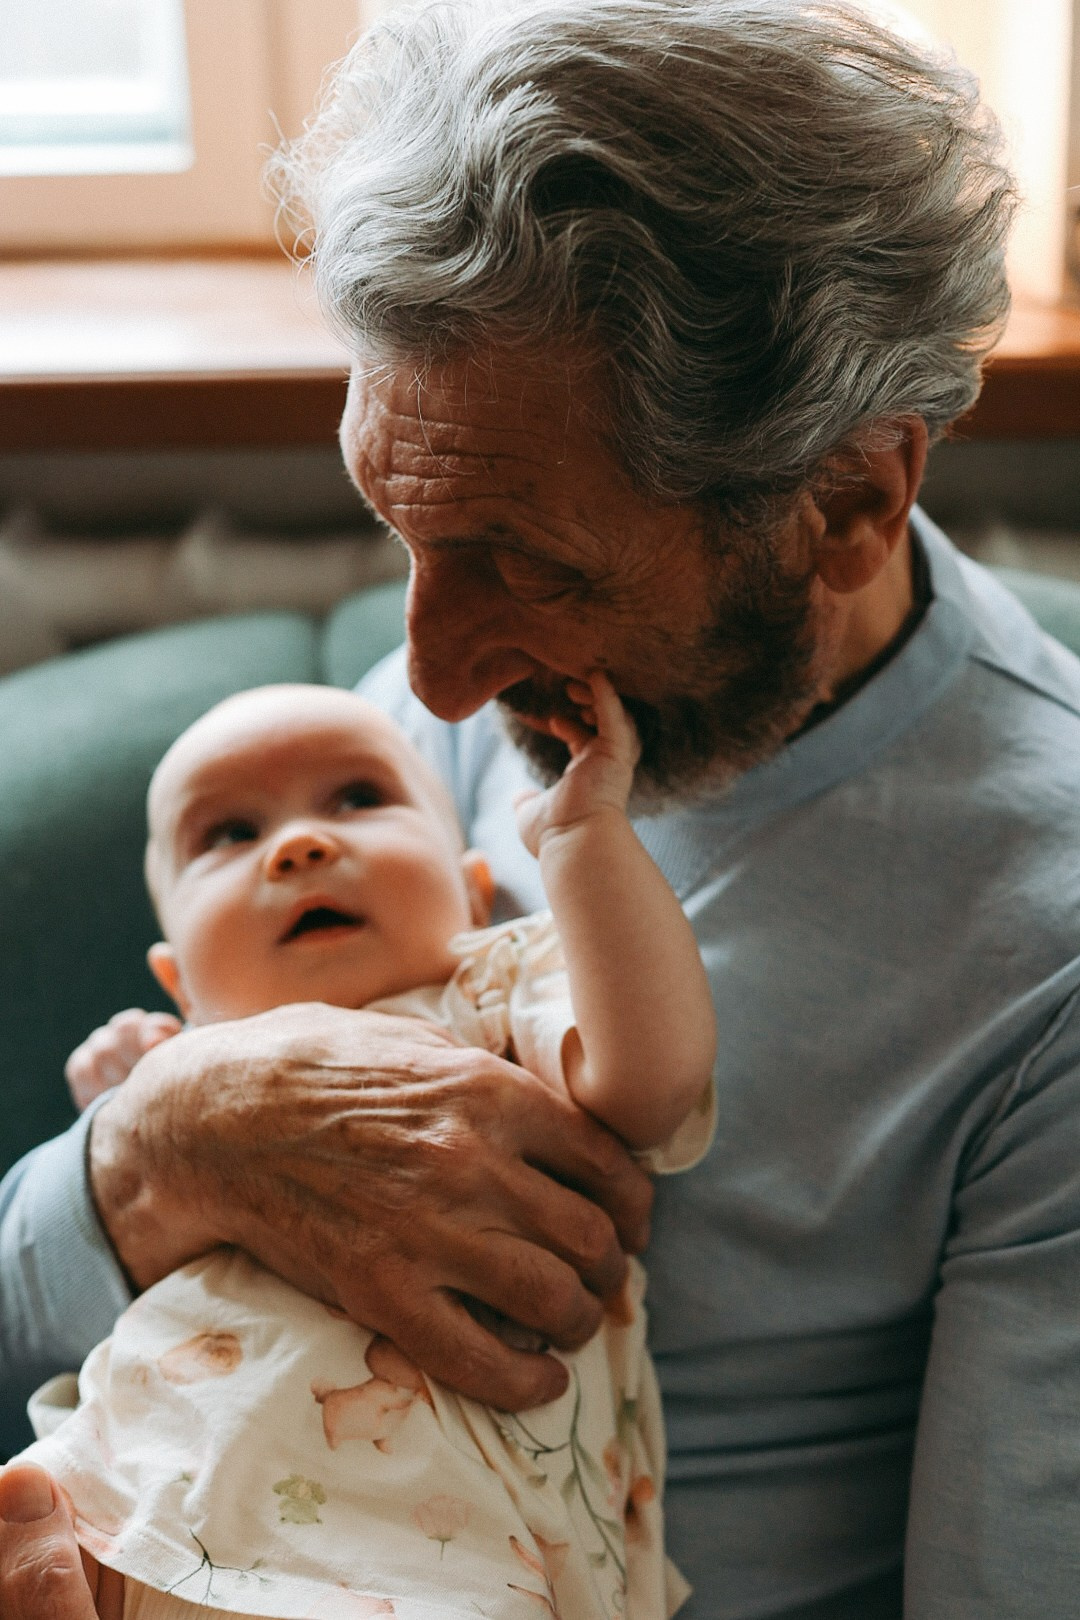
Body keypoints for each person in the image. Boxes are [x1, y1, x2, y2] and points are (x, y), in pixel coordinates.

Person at [5, 2, 1079, 1616]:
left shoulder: (1047, 946)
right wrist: (146, 1159)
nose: (431, 684)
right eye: (404, 532)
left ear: (848, 500)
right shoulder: (394, 751)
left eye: (532, 567)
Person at [12, 678, 716, 1619]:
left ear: (474, 892)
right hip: (142, 1508)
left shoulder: (496, 998)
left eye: (358, 797)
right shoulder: (190, 1076)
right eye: (229, 834)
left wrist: (587, 843)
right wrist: (134, 1086)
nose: (300, 844)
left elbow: (652, 1083)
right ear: (180, 982)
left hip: (446, 1558)